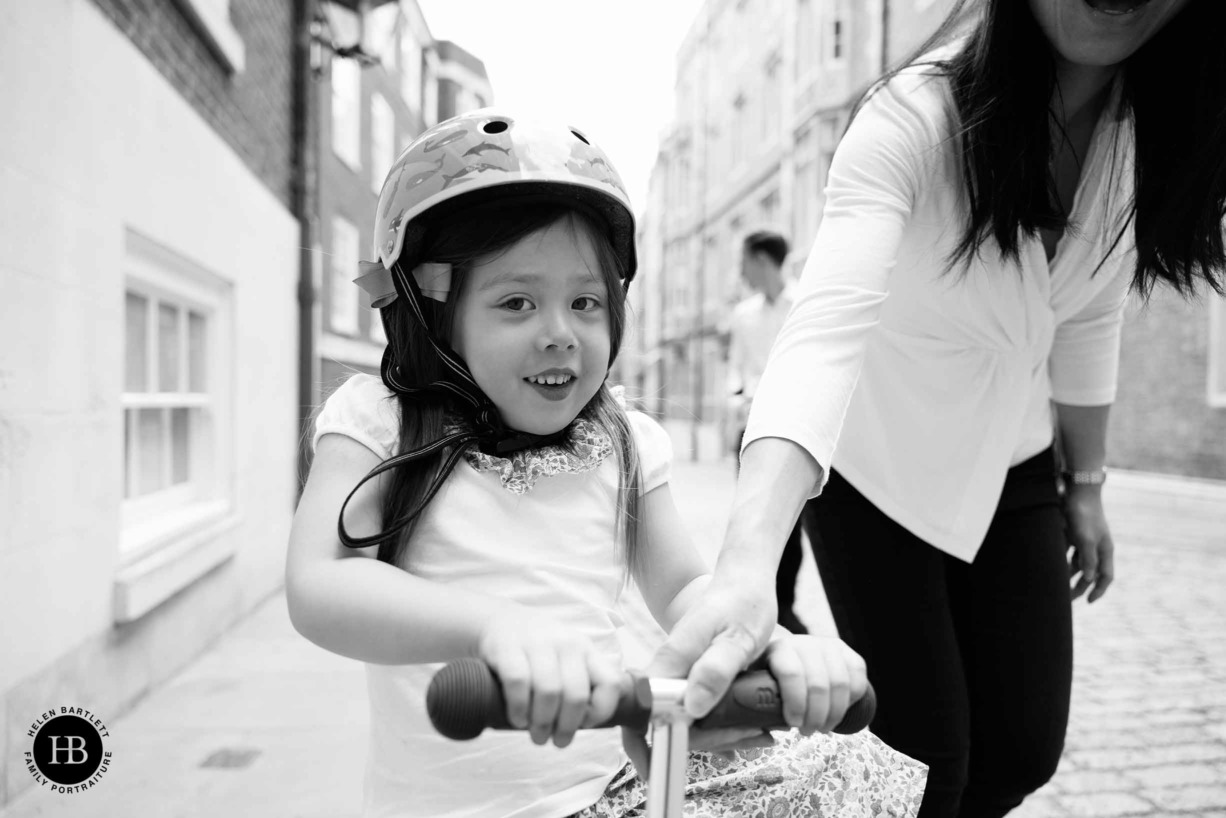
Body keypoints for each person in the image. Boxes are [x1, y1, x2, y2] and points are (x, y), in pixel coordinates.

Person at [648, 0, 1226, 816]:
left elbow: (1088, 315)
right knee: (928, 760)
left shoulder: (1148, 133)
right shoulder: (914, 117)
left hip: (1012, 464)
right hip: (871, 468)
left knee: (1022, 750)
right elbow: (821, 335)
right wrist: (746, 567)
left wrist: (1086, 484)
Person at [285, 110, 926, 818]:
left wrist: (770, 644)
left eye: (585, 301)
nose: (561, 333)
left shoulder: (623, 438)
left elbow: (684, 588)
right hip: (449, 807)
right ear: (428, 311)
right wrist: (494, 625)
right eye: (517, 302)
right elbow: (320, 583)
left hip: (616, 791)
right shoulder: (381, 421)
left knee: (839, 774)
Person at [727, 230, 808, 635]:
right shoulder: (743, 315)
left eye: (743, 260)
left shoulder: (807, 304)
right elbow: (736, 369)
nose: (739, 270)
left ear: (761, 259)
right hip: (754, 428)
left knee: (795, 524)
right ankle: (767, 609)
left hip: (802, 428)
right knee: (756, 519)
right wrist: (737, 397)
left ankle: (785, 608)